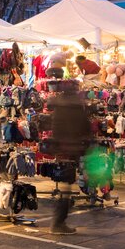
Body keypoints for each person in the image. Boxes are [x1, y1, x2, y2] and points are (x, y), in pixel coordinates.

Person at [46, 78, 91, 234]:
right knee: (66, 186)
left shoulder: (59, 106)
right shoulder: (77, 106)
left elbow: (55, 128)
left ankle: (58, 221)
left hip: (62, 149)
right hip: (73, 148)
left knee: (66, 185)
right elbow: (85, 127)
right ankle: (58, 223)